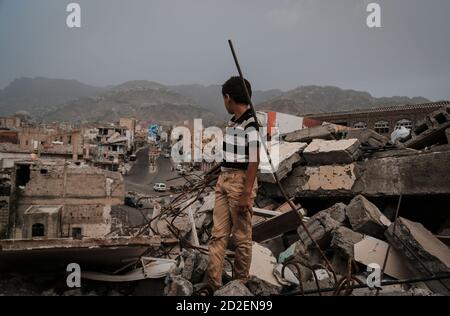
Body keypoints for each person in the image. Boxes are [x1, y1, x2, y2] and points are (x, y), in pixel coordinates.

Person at [205, 76, 260, 293]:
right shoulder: (233, 122)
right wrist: (218, 170)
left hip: (240, 183)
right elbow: (233, 156)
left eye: (224, 99)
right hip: (224, 180)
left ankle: (239, 287)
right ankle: (213, 285)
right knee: (217, 235)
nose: (224, 103)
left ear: (228, 97)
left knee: (241, 239)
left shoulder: (251, 122)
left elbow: (254, 159)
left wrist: (246, 193)